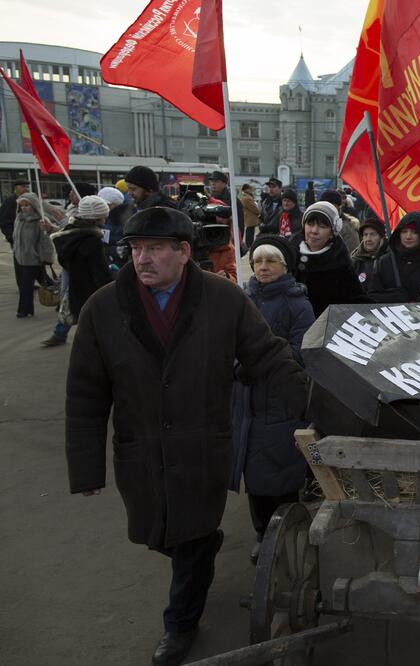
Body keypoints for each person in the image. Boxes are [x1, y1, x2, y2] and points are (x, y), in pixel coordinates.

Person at [65, 206, 309, 666]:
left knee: (192, 539)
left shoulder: (223, 299)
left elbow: (268, 356)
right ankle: (200, 552)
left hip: (202, 449)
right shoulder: (103, 308)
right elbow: (85, 394)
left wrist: (315, 409)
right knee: (158, 533)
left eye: (155, 248)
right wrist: (85, 467)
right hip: (141, 453)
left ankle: (180, 624)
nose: (142, 259)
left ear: (182, 252)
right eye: (136, 248)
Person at [231, 236, 314, 563]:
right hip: (246, 400)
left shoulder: (298, 304)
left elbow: (301, 352)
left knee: (281, 469)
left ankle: (288, 530)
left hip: (281, 397)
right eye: (258, 261)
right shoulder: (242, 300)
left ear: (285, 266)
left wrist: (255, 363)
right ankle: (262, 532)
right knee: (253, 471)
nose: (263, 267)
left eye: (271, 261)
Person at [42, 196, 112, 346]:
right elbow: (99, 270)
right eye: (103, 216)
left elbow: (63, 258)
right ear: (96, 218)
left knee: (71, 307)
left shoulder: (71, 232)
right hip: (89, 284)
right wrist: (109, 285)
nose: (105, 219)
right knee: (93, 314)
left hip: (75, 278)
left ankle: (61, 334)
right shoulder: (92, 240)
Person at [294, 202, 367, 317]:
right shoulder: (290, 253)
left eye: (322, 226)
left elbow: (357, 299)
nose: (314, 231)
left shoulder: (340, 262)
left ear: (332, 232)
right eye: (310, 224)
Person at [367, 212, 420, 303]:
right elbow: (372, 297)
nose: (408, 237)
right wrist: (392, 297)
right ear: (398, 234)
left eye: (414, 232)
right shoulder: (385, 262)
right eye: (404, 232)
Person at [12, 192, 56, 318]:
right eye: (22, 205)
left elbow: (45, 241)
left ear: (34, 205)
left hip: (34, 259)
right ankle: (62, 297)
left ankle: (24, 310)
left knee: (26, 285)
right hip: (21, 258)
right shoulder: (19, 218)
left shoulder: (40, 220)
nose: (24, 208)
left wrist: (46, 257)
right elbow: (16, 237)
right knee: (47, 282)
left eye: (27, 205)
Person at [319, 189, 360, 254]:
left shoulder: (348, 227)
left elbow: (352, 253)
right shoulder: (315, 224)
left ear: (338, 207)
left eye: (330, 206)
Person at [98, 186, 129, 269]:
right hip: (105, 263)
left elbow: (124, 249)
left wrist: (108, 251)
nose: (101, 207)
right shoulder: (103, 219)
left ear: (113, 204)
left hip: (120, 266)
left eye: (104, 204)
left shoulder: (125, 221)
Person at [351, 217, 388, 290]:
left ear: (381, 237)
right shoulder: (355, 261)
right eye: (365, 235)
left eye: (373, 234)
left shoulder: (390, 259)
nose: (368, 239)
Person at [0, 178, 30, 245]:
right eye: (23, 186)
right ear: (16, 188)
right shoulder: (9, 202)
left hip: (30, 237)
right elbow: (4, 221)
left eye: (27, 187)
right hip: (17, 238)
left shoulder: (29, 200)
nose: (26, 189)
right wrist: (11, 237)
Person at [239, 183, 260, 249]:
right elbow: (253, 207)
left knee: (250, 232)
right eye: (250, 189)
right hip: (250, 218)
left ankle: (249, 245)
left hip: (249, 217)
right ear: (246, 189)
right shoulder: (247, 198)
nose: (251, 190)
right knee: (250, 233)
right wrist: (258, 211)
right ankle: (249, 246)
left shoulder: (245, 196)